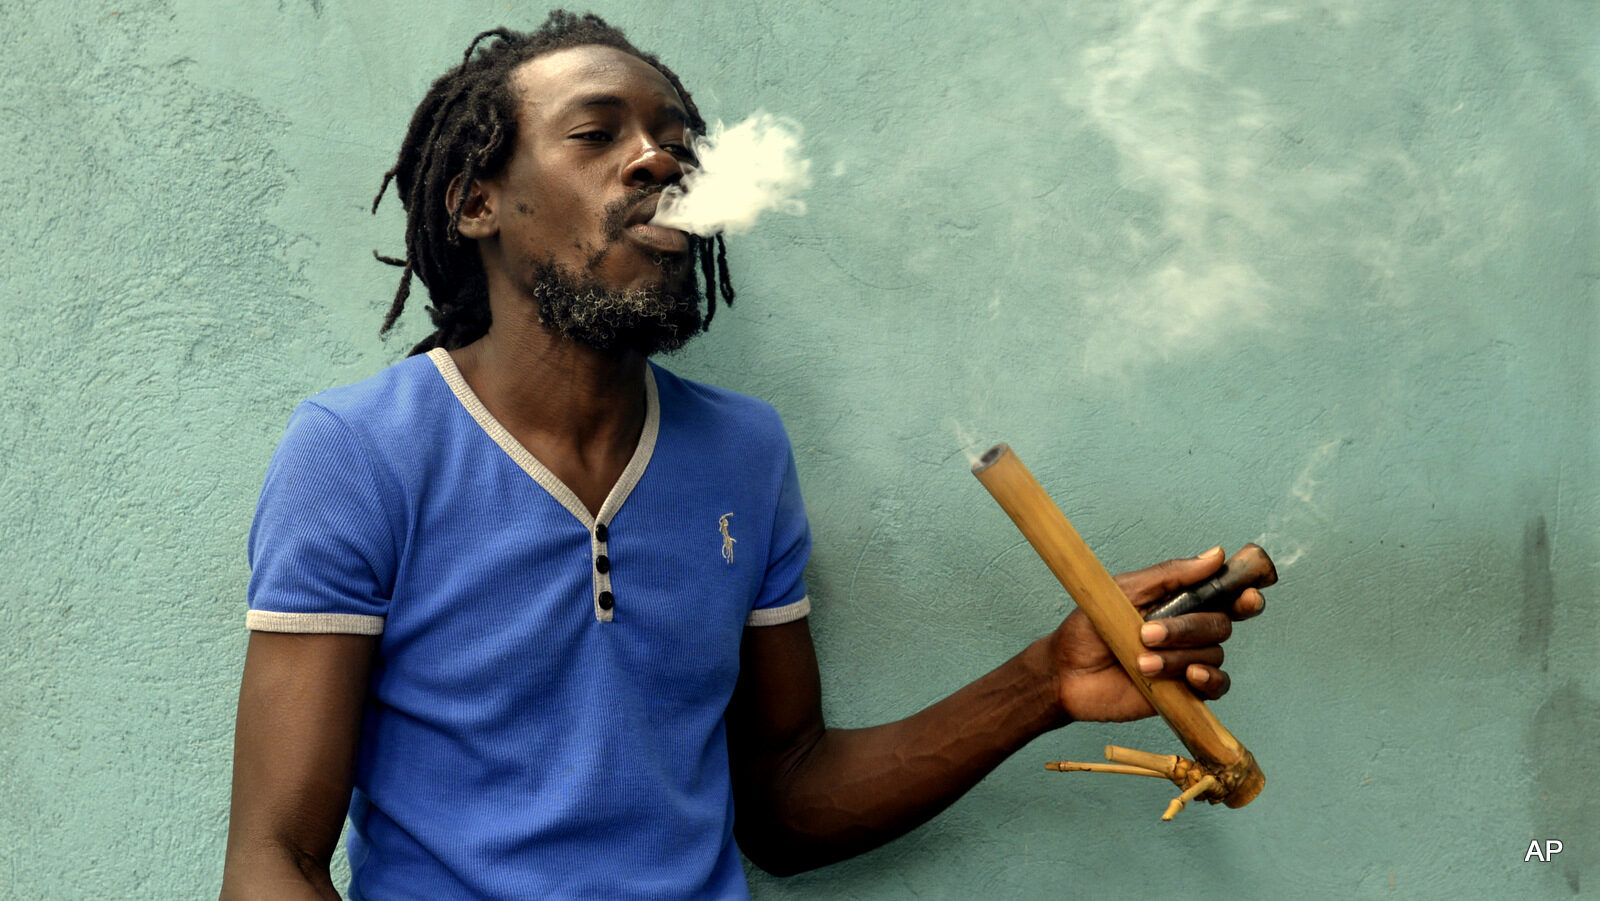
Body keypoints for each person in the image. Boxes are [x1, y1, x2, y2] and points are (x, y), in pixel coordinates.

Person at [219, 11, 1265, 900]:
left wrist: (1044, 682)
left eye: (677, 141)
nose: (659, 159)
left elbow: (786, 799)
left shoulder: (742, 451)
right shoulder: (358, 452)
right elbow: (274, 857)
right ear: (477, 201)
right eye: (597, 134)